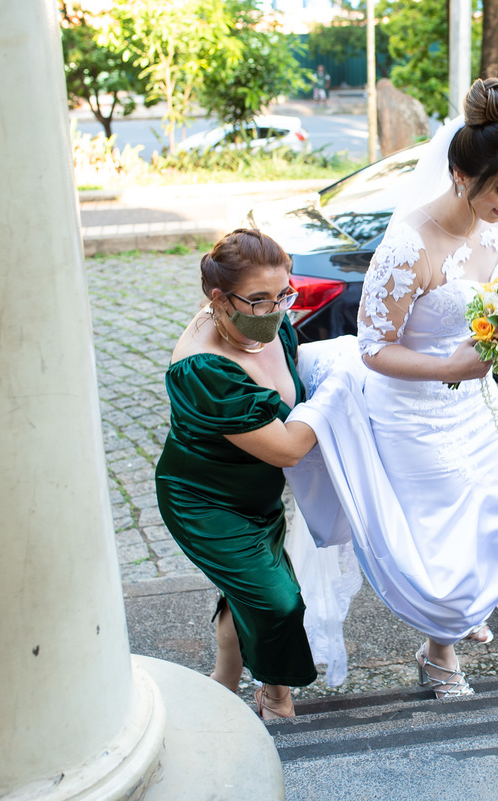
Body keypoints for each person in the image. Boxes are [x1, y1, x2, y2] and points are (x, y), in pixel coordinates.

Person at [286, 78, 498, 698]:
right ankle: (440, 649)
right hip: (412, 414)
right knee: (440, 540)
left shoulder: (487, 229)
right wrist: (450, 369)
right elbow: (375, 349)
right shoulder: (408, 246)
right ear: (460, 173)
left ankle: (459, 614)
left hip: (474, 408)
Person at [154, 228, 319, 719]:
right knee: (278, 601)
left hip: (257, 496)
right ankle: (276, 697)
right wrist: (334, 404)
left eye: (283, 294)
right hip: (203, 501)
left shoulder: (270, 322)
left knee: (246, 588)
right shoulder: (203, 367)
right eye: (260, 299)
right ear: (219, 298)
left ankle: (223, 679)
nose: (276, 310)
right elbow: (289, 448)